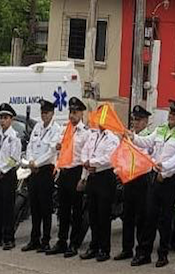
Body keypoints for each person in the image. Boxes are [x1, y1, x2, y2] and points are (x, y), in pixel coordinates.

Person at [130, 99, 175, 268]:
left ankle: (163, 254)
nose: (171, 116)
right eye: (170, 112)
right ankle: (144, 254)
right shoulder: (161, 130)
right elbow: (147, 141)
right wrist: (132, 137)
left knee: (166, 218)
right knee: (150, 215)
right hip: (156, 177)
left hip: (171, 179)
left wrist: (165, 172)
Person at [48, 97, 91, 258]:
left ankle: (74, 243)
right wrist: (57, 147)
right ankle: (61, 241)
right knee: (63, 210)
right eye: (70, 112)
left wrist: (83, 178)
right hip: (64, 173)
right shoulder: (65, 130)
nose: (71, 116)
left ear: (81, 114)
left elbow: (86, 157)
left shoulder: (86, 133)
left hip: (76, 172)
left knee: (76, 211)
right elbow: (57, 146)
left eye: (75, 112)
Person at [81, 106, 120, 261]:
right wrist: (85, 161)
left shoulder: (113, 138)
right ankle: (94, 246)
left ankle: (104, 249)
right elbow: (85, 150)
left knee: (104, 216)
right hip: (92, 177)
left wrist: (92, 162)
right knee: (93, 214)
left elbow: (109, 158)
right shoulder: (93, 134)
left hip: (105, 177)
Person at [21, 99, 61, 252]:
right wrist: (31, 161)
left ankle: (45, 241)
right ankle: (34, 239)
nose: (44, 115)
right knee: (35, 207)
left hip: (45, 170)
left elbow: (51, 151)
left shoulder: (56, 129)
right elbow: (30, 145)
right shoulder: (37, 126)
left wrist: (37, 163)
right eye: (42, 112)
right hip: (33, 170)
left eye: (47, 113)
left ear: (52, 113)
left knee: (45, 208)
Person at [115, 105, 155, 262]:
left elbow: (145, 158)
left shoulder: (148, 138)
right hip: (129, 179)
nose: (135, 123)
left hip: (142, 179)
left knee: (142, 217)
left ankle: (142, 250)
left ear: (145, 121)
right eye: (134, 120)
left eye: (138, 120)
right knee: (128, 215)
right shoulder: (129, 137)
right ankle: (127, 248)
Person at [0, 103, 22, 249]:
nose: (2, 121)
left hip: (8, 175)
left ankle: (9, 238)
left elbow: (13, 159)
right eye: (1, 118)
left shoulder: (14, 137)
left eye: (5, 118)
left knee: (8, 207)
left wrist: (1, 170)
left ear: (11, 120)